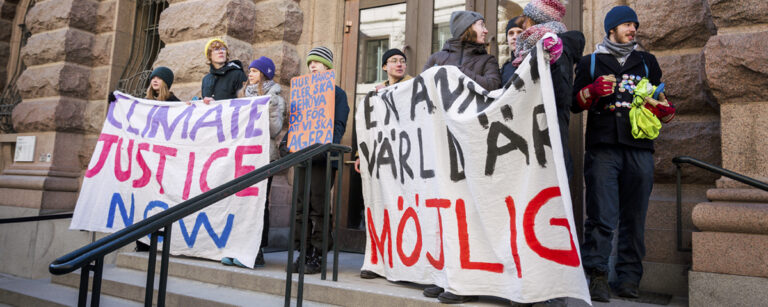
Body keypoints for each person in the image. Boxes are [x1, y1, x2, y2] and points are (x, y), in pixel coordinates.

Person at [572, 6, 675, 303]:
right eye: (626, 24)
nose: (632, 29)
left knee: (634, 216)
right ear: (611, 29)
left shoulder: (647, 62)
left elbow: (662, 104)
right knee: (602, 216)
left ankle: (629, 278)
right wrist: (591, 91)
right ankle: (598, 276)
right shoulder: (591, 62)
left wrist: (664, 109)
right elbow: (574, 104)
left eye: (634, 25)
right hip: (602, 148)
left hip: (639, 149)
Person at [279, 46, 350, 274]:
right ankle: (303, 250)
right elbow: (296, 123)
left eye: (317, 62)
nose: (312, 66)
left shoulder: (338, 94)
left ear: (328, 66)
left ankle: (318, 254)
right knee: (300, 207)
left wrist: (326, 147)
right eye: (310, 63)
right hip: (302, 156)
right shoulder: (303, 93)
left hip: (323, 159)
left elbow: (338, 126)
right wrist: (287, 143)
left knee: (317, 207)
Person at [220, 56, 286, 269]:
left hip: (264, 157)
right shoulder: (241, 95)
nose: (250, 74)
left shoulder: (275, 98)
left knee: (259, 204)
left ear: (265, 74)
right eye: (250, 71)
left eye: (255, 71)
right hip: (244, 157)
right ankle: (238, 246)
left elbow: (274, 129)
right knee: (241, 201)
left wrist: (265, 109)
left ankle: (257, 249)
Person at [511, 0, 585, 180]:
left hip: (548, 132)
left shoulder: (556, 47)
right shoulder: (531, 46)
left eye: (526, 19)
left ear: (536, 20)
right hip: (533, 130)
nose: (523, 23)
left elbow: (560, 94)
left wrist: (551, 65)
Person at [354, 48, 412, 174]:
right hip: (384, 154)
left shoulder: (414, 86)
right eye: (394, 61)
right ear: (385, 67)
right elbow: (368, 126)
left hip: (408, 152)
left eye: (402, 61)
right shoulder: (376, 93)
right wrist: (361, 155)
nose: (399, 64)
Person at [422, 10, 501, 91]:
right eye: (481, 25)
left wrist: (459, 72)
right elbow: (422, 87)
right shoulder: (436, 58)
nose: (486, 31)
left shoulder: (488, 60)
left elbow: (493, 87)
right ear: (467, 27)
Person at [201, 38, 247, 103]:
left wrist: (217, 104)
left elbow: (245, 102)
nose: (221, 52)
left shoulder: (237, 74)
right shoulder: (206, 80)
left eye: (223, 49)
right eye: (216, 49)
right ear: (209, 55)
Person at [500, 16, 524, 85]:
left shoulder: (535, 61)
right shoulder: (505, 69)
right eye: (511, 33)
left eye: (519, 32)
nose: (515, 37)